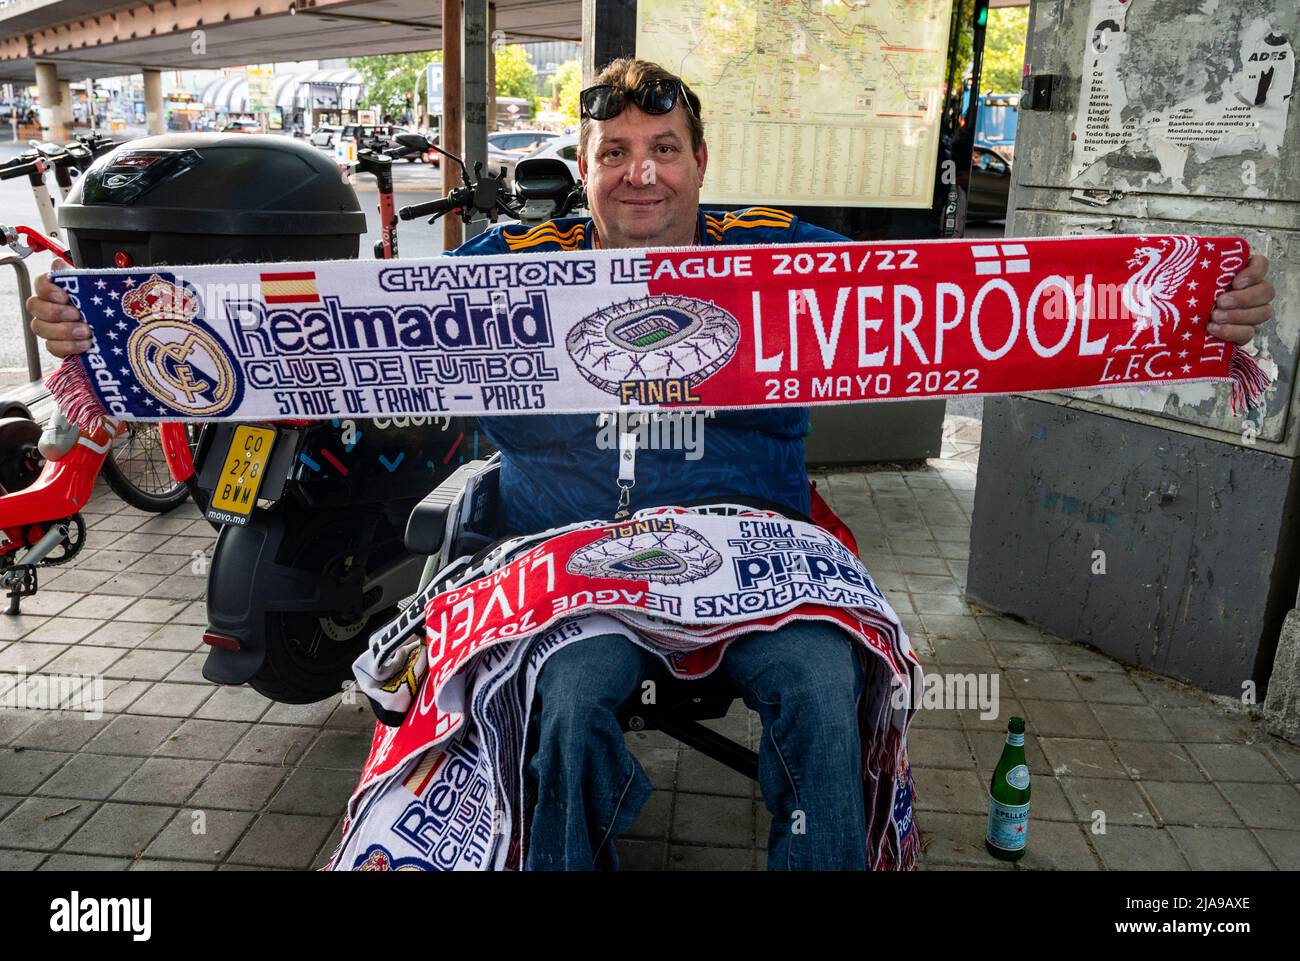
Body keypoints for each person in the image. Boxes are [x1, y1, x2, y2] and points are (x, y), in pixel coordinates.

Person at [26, 58, 1279, 871]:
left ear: (699, 163)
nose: (639, 172)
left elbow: (988, 305)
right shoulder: (509, 268)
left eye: (663, 148)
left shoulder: (790, 263)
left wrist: (1190, 311)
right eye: (614, 151)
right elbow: (341, 340)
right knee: (561, 700)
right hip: (568, 560)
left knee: (823, 683)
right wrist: (109, 338)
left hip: (754, 559)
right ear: (588, 171)